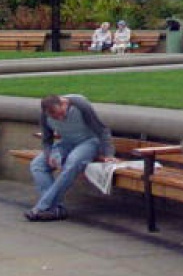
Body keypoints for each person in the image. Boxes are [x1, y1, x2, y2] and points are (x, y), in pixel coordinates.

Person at [25, 94, 116, 222]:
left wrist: (109, 154)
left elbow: (102, 130)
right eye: (55, 117)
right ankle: (56, 208)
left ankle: (42, 207)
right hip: (66, 142)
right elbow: (47, 139)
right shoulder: (45, 115)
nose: (60, 118)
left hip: (88, 141)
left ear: (64, 104)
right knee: (37, 165)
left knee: (71, 164)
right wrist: (48, 154)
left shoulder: (80, 104)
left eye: (60, 113)